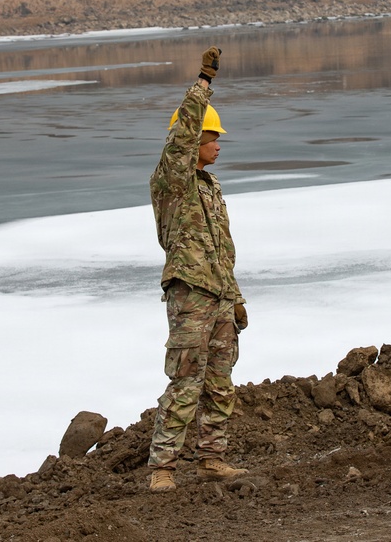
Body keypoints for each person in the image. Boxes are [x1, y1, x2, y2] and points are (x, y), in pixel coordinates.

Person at [147, 46, 249, 493]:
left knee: (220, 382)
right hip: (189, 293)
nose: (218, 144)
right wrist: (202, 85)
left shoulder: (210, 188)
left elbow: (222, 248)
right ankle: (163, 468)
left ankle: (212, 458)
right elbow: (181, 137)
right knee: (185, 379)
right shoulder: (172, 179)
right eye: (214, 138)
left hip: (219, 294)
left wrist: (236, 297)